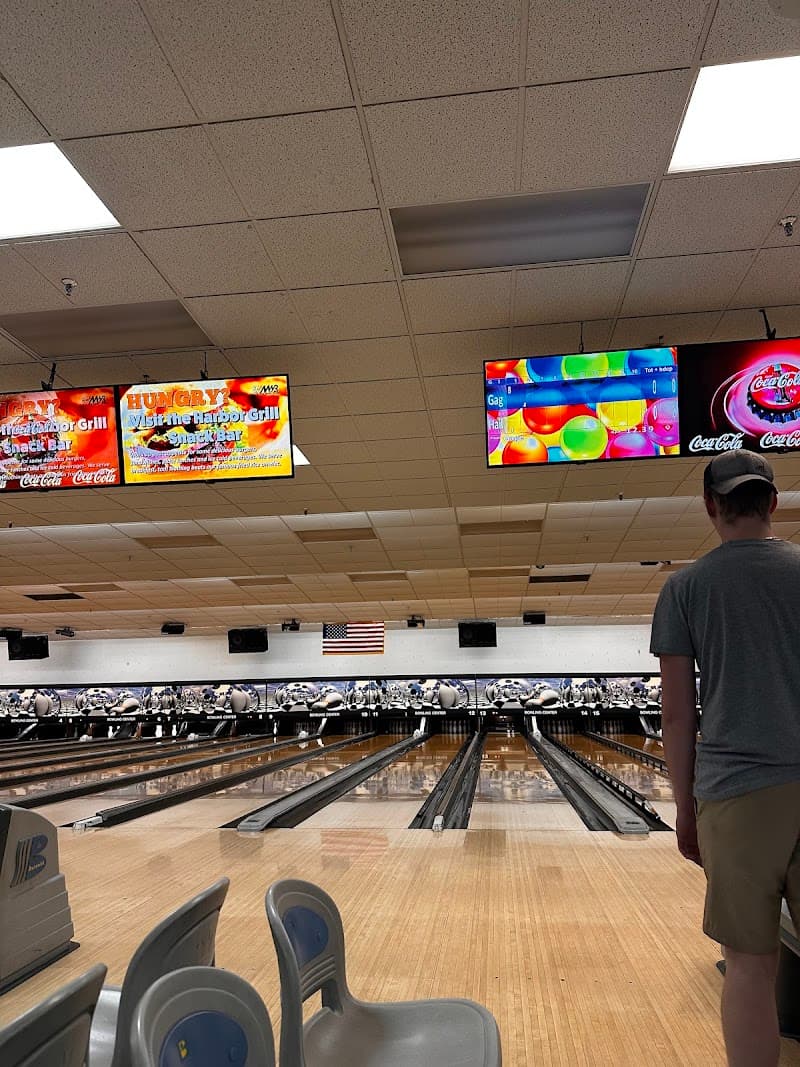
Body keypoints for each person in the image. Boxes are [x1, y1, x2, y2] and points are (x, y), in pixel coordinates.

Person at [650, 449, 800, 1067]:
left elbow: (679, 715)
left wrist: (684, 810)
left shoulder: (685, 587)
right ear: (773, 502)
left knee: (749, 967)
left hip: (735, 795)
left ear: (711, 507)